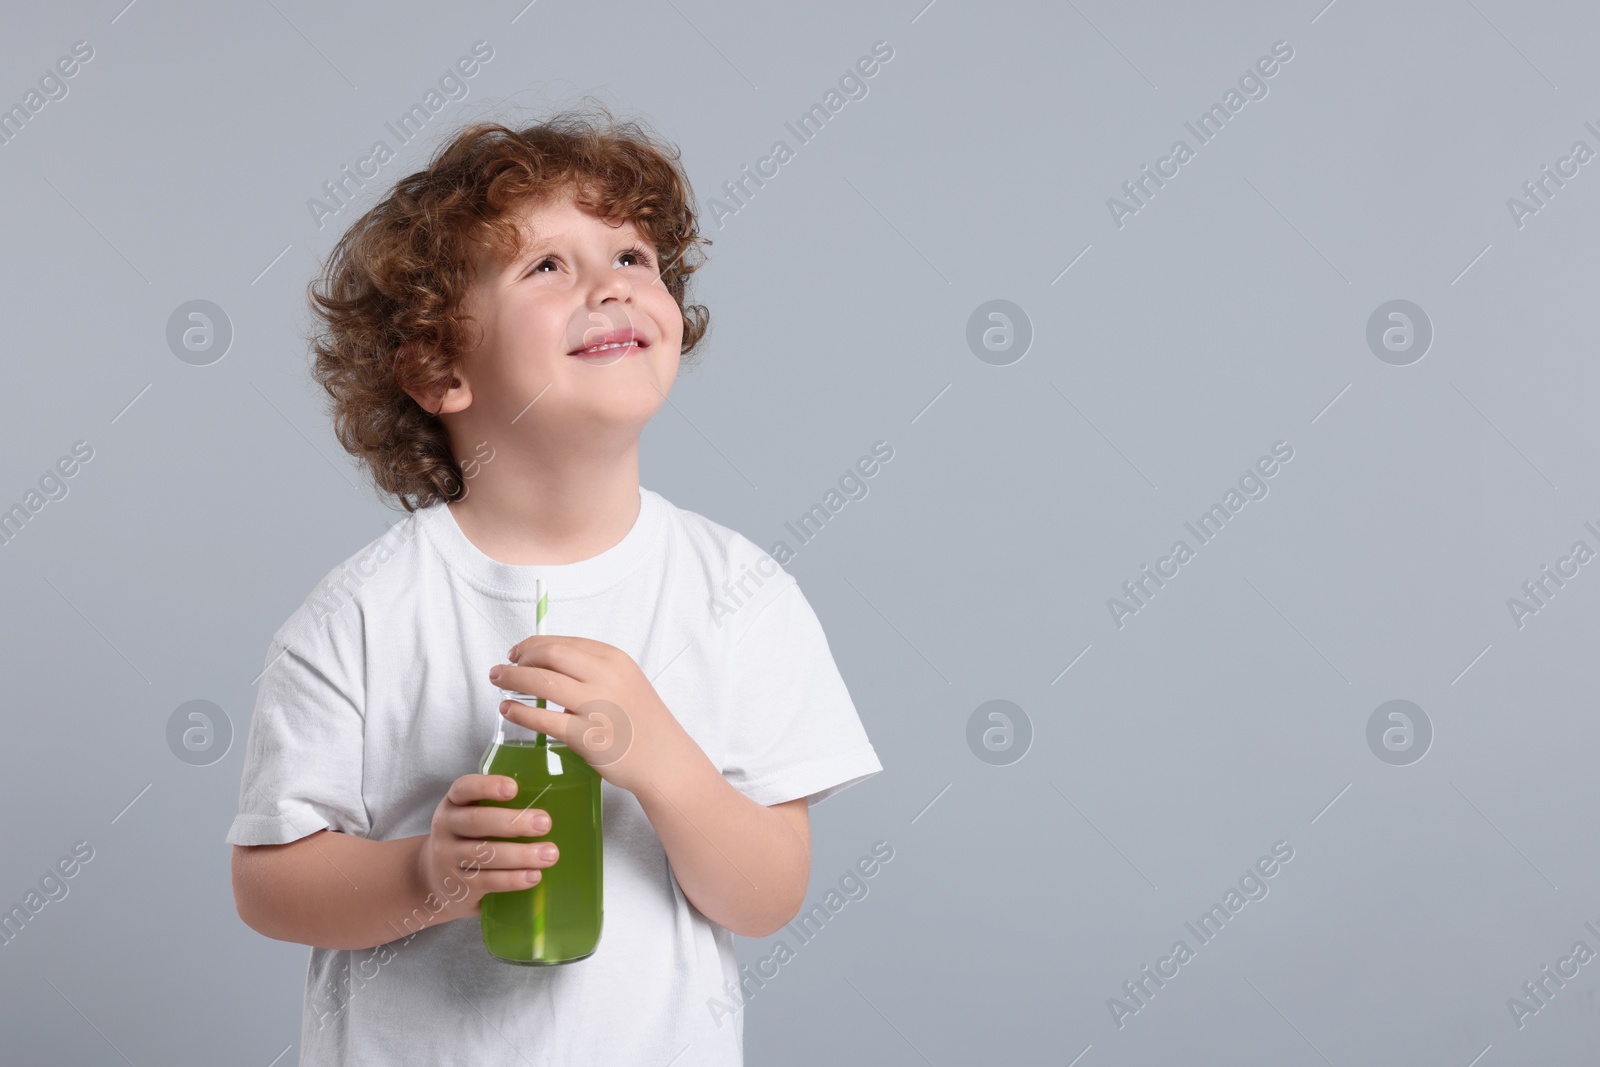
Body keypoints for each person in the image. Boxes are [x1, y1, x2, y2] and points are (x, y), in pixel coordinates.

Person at [226, 106, 883, 1066]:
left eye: (631, 256)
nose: (612, 287)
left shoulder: (740, 592)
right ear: (439, 365)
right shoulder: (364, 613)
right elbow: (268, 885)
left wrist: (663, 759)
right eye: (546, 267)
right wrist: (427, 873)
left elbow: (769, 892)